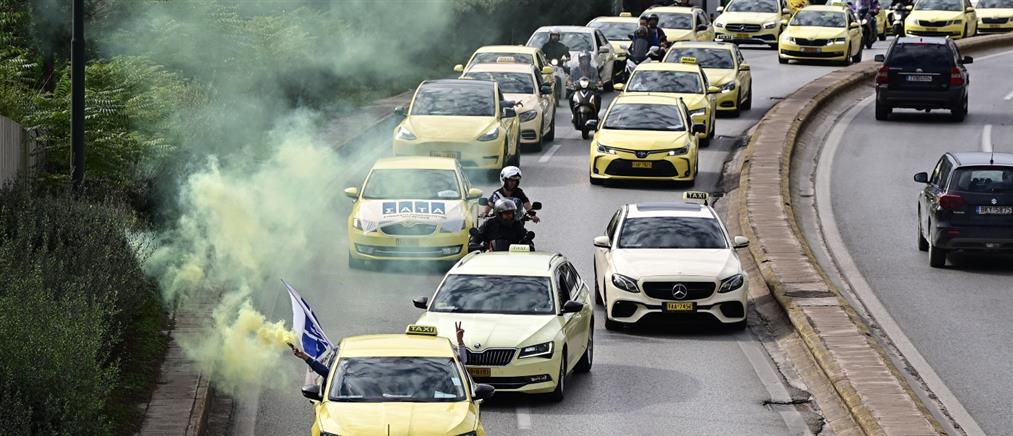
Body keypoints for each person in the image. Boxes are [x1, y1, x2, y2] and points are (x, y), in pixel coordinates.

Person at [292, 322, 470, 378]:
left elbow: (461, 366)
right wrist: (305, 357)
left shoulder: (433, 376)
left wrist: (460, 343)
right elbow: (328, 373)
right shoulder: (357, 376)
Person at [567, 52, 603, 117]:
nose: (584, 61)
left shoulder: (593, 70)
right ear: (580, 60)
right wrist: (570, 83)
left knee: (598, 97)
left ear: (589, 60)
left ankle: (596, 114)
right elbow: (570, 79)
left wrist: (598, 83)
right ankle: (573, 113)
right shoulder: (575, 70)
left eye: (586, 59)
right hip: (578, 89)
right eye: (583, 59)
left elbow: (597, 79)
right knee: (571, 97)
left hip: (590, 89)